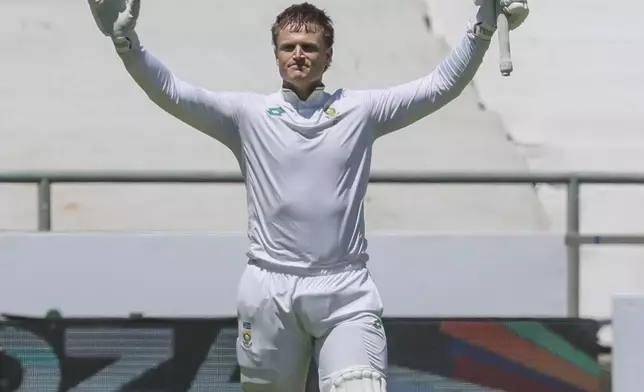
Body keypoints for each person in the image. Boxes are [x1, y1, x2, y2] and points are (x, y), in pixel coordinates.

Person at [87, 1, 530, 391]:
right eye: (289, 46)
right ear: (277, 56)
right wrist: (128, 45)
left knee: (360, 386)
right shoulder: (247, 115)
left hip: (345, 287)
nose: (299, 54)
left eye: (310, 47)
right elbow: (173, 92)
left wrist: (482, 29)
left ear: (328, 56)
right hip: (268, 289)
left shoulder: (361, 111)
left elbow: (438, 87)